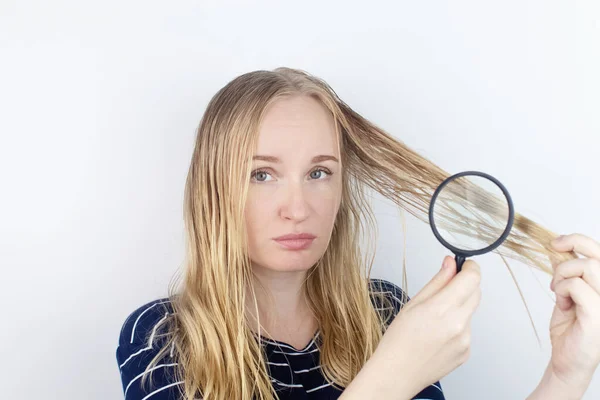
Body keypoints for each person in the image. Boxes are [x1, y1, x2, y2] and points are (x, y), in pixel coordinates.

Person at [116, 67, 600, 399]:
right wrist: (390, 378)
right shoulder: (163, 338)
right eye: (261, 175)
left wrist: (565, 375)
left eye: (319, 173)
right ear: (212, 190)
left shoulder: (385, 313)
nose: (298, 208)